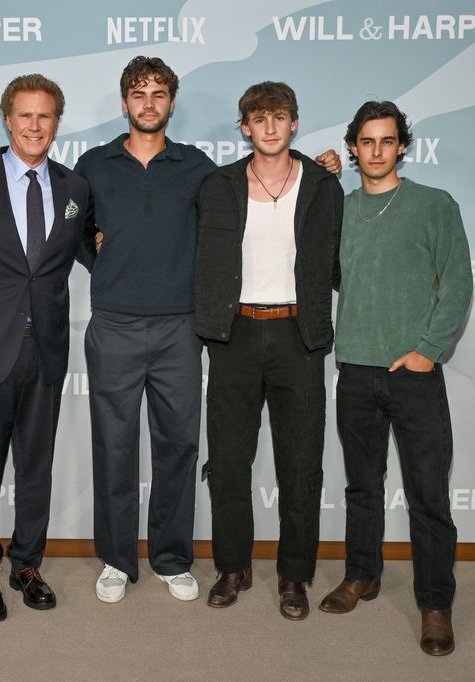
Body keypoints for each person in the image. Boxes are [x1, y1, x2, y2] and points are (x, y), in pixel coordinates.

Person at [74, 57, 340, 604]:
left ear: (172, 103)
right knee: (114, 447)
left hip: (181, 328)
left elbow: (274, 177)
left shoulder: (198, 168)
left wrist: (324, 165)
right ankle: (117, 561)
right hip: (115, 324)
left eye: (159, 94)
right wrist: (104, 258)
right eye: (138, 94)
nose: (149, 104)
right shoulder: (92, 164)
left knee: (178, 447)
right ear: (125, 102)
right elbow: (76, 232)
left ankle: (172, 558)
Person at [318, 101, 472, 656]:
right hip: (355, 368)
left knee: (428, 495)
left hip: (413, 373)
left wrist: (429, 351)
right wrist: (318, 182)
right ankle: (362, 574)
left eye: (387, 141)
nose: (376, 151)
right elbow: (322, 269)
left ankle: (435, 604)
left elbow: (456, 283)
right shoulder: (340, 209)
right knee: (362, 487)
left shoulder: (434, 205)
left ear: (401, 145)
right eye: (367, 141)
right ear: (353, 147)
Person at [194, 82, 342, 620]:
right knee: (230, 462)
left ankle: (293, 575)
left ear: (295, 123)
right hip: (234, 335)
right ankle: (232, 567)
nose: (271, 127)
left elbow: (339, 262)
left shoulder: (324, 185)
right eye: (260, 118)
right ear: (246, 128)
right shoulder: (217, 186)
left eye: (280, 117)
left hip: (298, 337)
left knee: (301, 465)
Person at [0, 74, 92, 623]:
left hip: (48, 350)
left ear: (57, 122)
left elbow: (96, 251)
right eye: (24, 115)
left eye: (46, 116)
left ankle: (27, 564)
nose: (35, 126)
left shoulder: (76, 188)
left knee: (37, 466)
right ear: (7, 119)